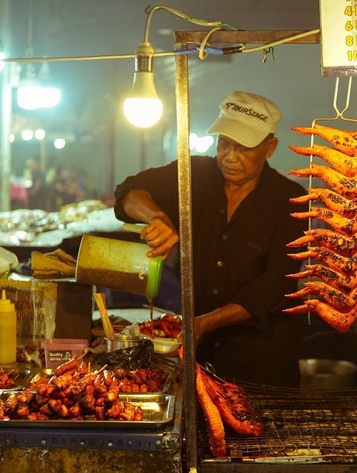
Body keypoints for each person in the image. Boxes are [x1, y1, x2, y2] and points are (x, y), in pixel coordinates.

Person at [113, 91, 307, 387]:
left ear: (270, 147)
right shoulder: (194, 175)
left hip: (261, 361)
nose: (230, 157)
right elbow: (129, 191)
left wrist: (205, 322)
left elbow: (277, 285)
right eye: (224, 144)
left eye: (243, 148)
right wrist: (157, 217)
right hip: (199, 360)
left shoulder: (290, 199)